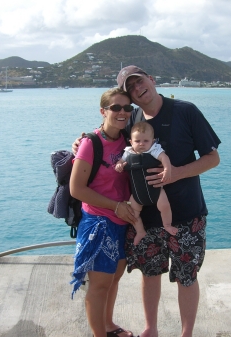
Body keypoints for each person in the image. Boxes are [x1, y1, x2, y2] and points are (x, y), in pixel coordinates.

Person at [73, 66, 221, 337]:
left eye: (139, 82)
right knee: (149, 273)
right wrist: (83, 140)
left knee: (186, 276)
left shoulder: (186, 111)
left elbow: (213, 158)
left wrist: (176, 173)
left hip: (187, 214)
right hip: (146, 217)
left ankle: (186, 334)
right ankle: (150, 329)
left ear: (152, 81)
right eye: (130, 88)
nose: (137, 89)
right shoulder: (132, 117)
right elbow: (111, 137)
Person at [69, 87, 137, 337]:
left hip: (122, 222)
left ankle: (108, 325)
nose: (122, 113)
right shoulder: (91, 143)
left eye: (127, 108)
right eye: (116, 108)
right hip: (99, 222)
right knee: (98, 286)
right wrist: (116, 206)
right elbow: (77, 189)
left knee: (113, 279)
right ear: (103, 111)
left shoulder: (129, 139)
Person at [115, 121, 178, 246]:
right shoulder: (128, 153)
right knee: (133, 214)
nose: (142, 144)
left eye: (146, 141)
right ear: (131, 142)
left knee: (164, 206)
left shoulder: (154, 150)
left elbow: (164, 158)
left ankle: (167, 225)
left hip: (156, 190)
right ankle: (140, 231)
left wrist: (167, 169)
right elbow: (120, 161)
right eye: (137, 141)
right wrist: (119, 165)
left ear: (153, 141)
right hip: (137, 193)